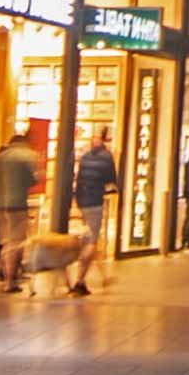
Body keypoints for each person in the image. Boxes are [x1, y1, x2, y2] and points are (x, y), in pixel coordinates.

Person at [0, 131, 39, 294]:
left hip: (0, 204)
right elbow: (32, 180)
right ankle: (10, 280)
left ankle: (6, 278)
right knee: (16, 242)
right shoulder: (26, 155)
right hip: (17, 204)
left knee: (6, 242)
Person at [72, 126, 119, 297]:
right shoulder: (107, 158)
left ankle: (88, 274)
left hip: (82, 199)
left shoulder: (85, 157)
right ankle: (80, 280)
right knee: (92, 239)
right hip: (95, 201)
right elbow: (112, 181)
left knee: (88, 236)